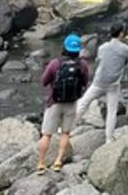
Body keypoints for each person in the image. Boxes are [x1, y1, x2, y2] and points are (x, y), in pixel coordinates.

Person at [36, 34, 89, 173]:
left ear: (64, 48)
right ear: (78, 50)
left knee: (46, 134)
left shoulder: (55, 63)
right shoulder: (82, 64)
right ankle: (58, 161)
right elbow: (85, 82)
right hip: (71, 102)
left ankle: (41, 163)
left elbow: (44, 81)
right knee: (65, 133)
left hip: (54, 102)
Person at [75, 22, 128, 142]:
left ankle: (66, 127)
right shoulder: (126, 49)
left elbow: (99, 61)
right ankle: (109, 138)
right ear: (121, 33)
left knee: (84, 103)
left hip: (99, 82)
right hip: (114, 84)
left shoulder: (102, 47)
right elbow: (125, 63)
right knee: (112, 111)